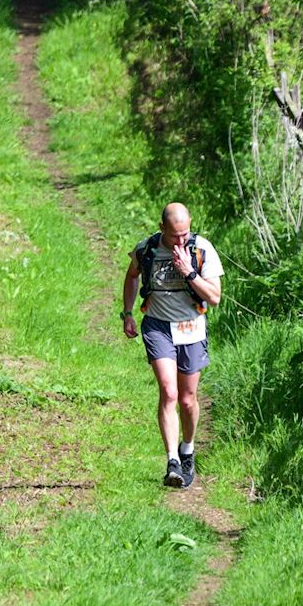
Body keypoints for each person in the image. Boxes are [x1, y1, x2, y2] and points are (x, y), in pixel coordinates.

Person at [121, 203, 224, 488]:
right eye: (175, 235)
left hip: (191, 328)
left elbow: (214, 298)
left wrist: (190, 272)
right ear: (162, 227)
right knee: (168, 391)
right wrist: (128, 312)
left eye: (185, 233)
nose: (181, 240)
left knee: (188, 398)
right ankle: (172, 462)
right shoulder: (147, 249)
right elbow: (132, 276)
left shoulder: (201, 250)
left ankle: (187, 449)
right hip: (158, 326)